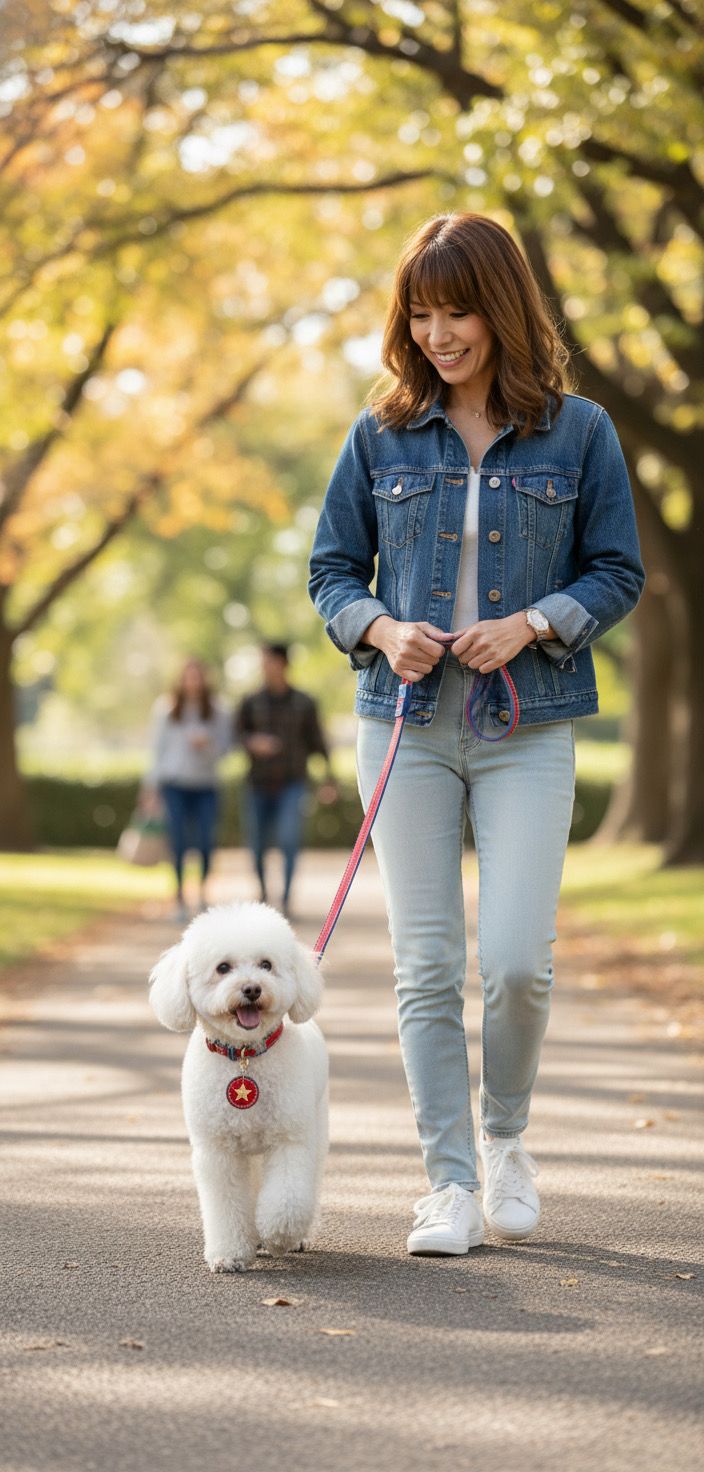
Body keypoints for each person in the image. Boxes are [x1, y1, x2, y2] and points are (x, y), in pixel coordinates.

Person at [309, 212, 645, 1257]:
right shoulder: (378, 435)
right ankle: (446, 1182)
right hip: (404, 728)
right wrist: (379, 626)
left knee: (514, 961)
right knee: (423, 964)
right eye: (420, 309)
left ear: (499, 307)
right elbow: (330, 572)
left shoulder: (578, 431)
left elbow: (615, 569)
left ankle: (504, 1139)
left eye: (456, 309)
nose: (437, 330)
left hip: (525, 724)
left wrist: (534, 620)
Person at [235, 642, 336, 917]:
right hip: (257, 783)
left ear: (283, 664)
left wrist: (329, 779)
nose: (264, 667)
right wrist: (252, 743)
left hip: (293, 783)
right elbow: (236, 736)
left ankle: (287, 899)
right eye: (262, 662)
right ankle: (264, 895)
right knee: (256, 844)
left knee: (290, 840)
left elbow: (319, 742)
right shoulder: (250, 702)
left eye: (268, 661)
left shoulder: (304, 703)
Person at [143, 658, 231, 921]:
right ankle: (180, 896)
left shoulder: (219, 711)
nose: (192, 682)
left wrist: (208, 744)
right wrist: (150, 789)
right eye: (188, 676)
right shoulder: (166, 709)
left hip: (206, 786)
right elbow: (156, 752)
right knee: (178, 842)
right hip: (174, 785)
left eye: (197, 676)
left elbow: (226, 749)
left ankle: (202, 893)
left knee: (205, 841)